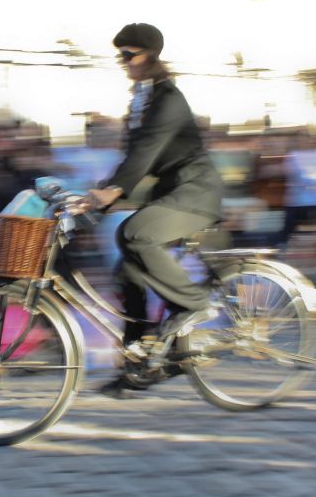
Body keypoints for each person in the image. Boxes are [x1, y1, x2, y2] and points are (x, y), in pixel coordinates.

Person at [85, 23, 223, 397]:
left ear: (151, 57)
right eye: (121, 56)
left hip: (194, 194)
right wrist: (98, 195)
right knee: (127, 269)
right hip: (170, 194)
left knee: (134, 234)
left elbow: (148, 152)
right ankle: (138, 362)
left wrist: (115, 190)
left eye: (129, 55)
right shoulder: (142, 99)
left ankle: (193, 304)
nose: (123, 62)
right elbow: (133, 156)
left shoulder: (168, 100)